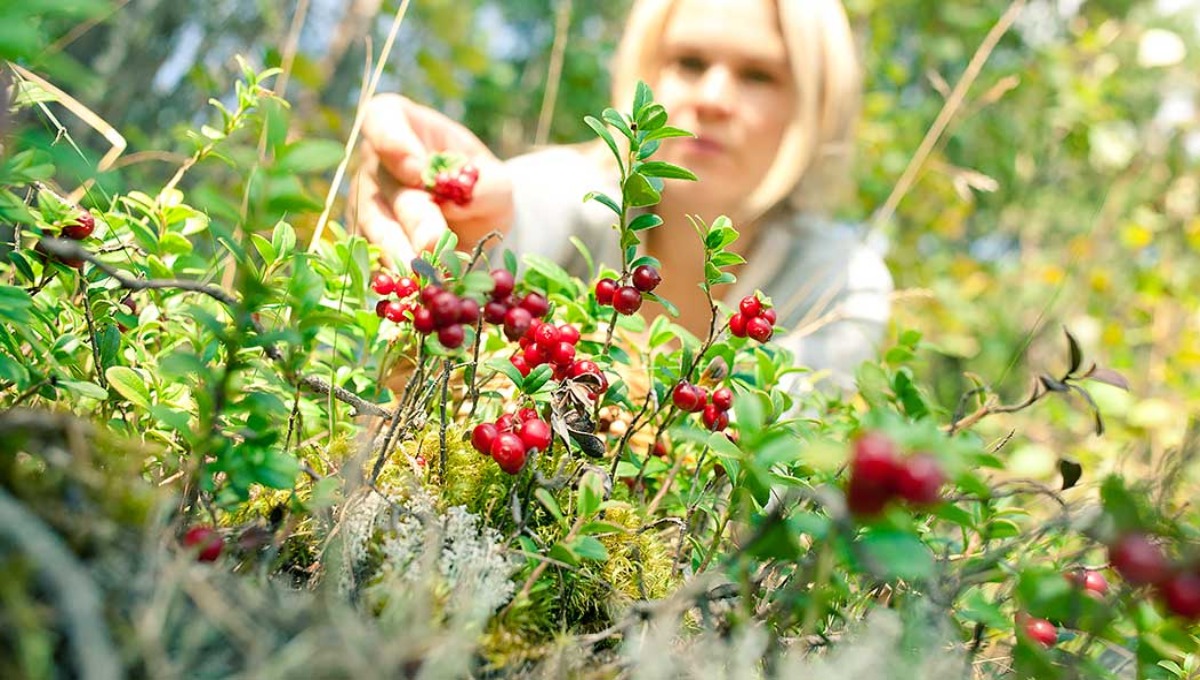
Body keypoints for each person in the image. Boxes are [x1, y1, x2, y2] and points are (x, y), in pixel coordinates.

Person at [354, 0, 892, 390]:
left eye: (759, 75)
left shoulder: (839, 283)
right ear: (647, 71)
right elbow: (506, 223)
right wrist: (456, 218)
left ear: (816, 106)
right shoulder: (578, 193)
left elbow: (770, 476)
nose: (713, 98)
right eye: (690, 62)